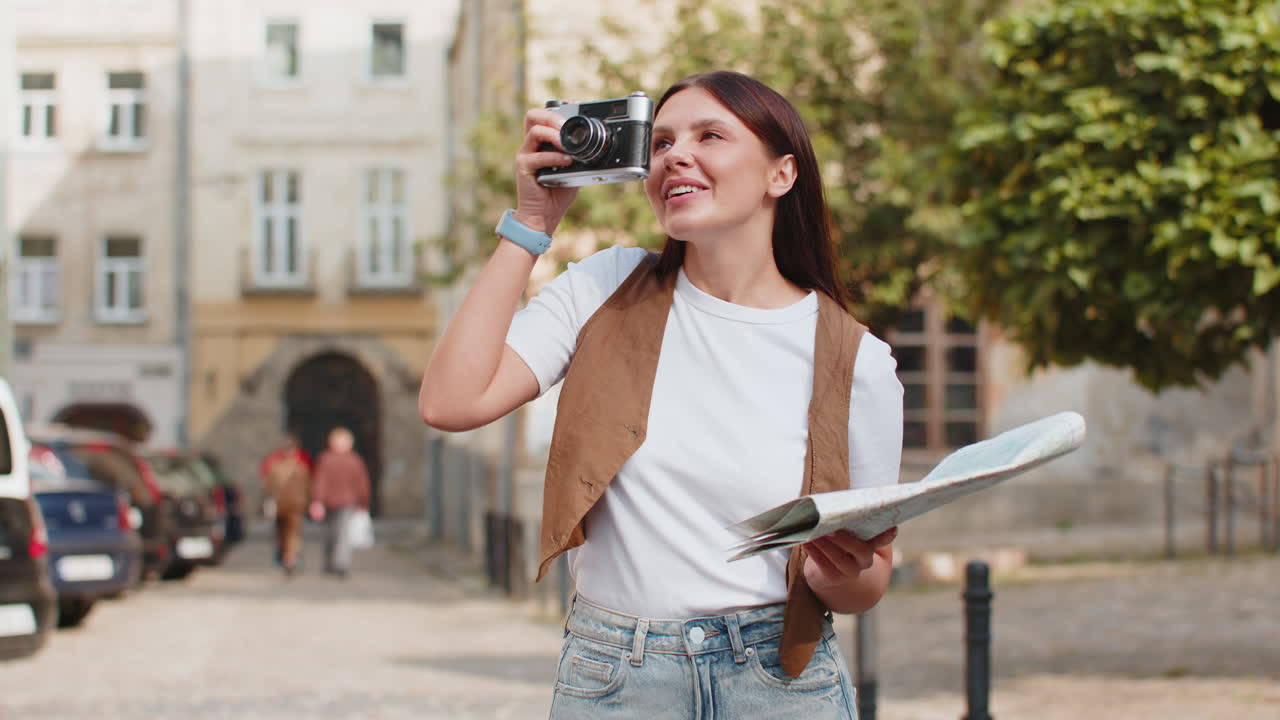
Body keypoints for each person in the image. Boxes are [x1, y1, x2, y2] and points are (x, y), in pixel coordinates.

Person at [419, 70, 903, 718]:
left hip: (781, 683)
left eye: (710, 135)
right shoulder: (605, 288)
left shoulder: (857, 362)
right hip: (618, 676)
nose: (675, 154)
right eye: (661, 142)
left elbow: (869, 580)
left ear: (780, 174)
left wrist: (835, 574)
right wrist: (531, 223)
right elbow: (450, 402)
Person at [309, 426, 370, 580]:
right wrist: (363, 503)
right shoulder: (354, 460)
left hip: (334, 502)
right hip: (346, 501)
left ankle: (333, 563)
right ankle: (340, 564)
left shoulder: (327, 459)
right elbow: (362, 483)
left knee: (333, 533)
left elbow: (319, 482)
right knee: (340, 534)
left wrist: (317, 500)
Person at [258, 434, 312, 576]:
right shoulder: (301, 468)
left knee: (282, 533)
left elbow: (266, 487)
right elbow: (308, 486)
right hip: (296, 506)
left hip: (280, 505)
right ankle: (291, 558)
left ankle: (285, 557)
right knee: (293, 534)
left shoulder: (274, 467)